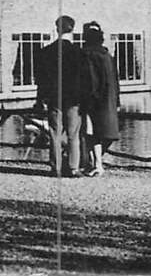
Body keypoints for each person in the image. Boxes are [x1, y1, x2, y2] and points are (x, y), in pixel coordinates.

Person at [34, 15, 84, 177]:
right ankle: (73, 167)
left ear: (57, 29)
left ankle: (56, 167)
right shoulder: (78, 53)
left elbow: (41, 80)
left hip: (54, 98)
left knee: (55, 133)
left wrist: (40, 99)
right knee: (73, 134)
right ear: (73, 29)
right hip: (74, 99)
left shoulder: (46, 52)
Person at [80, 21, 121, 177]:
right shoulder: (108, 56)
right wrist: (117, 101)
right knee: (105, 133)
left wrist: (88, 98)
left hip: (93, 101)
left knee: (91, 133)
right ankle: (95, 163)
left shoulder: (88, 55)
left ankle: (95, 163)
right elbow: (116, 81)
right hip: (109, 100)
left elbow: (89, 80)